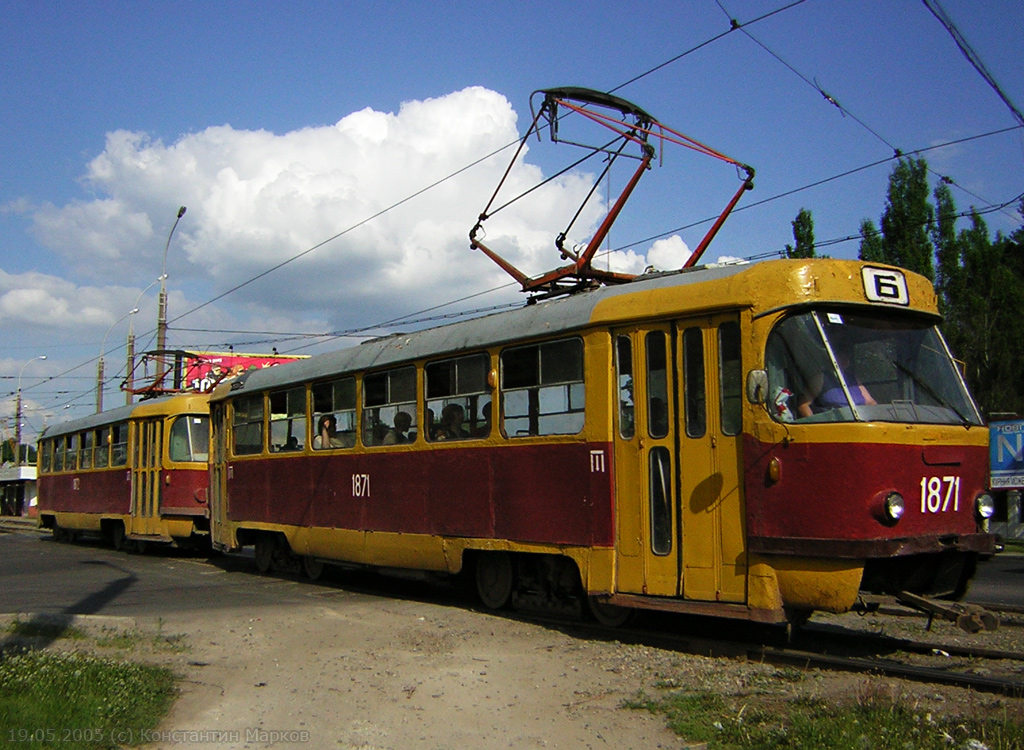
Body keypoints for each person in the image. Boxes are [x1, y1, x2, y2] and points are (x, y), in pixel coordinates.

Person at [796, 339, 876, 417]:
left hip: (859, 422)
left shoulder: (853, 379)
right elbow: (803, 405)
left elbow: (870, 402)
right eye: (841, 356)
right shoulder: (821, 378)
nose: (846, 359)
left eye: (847, 356)